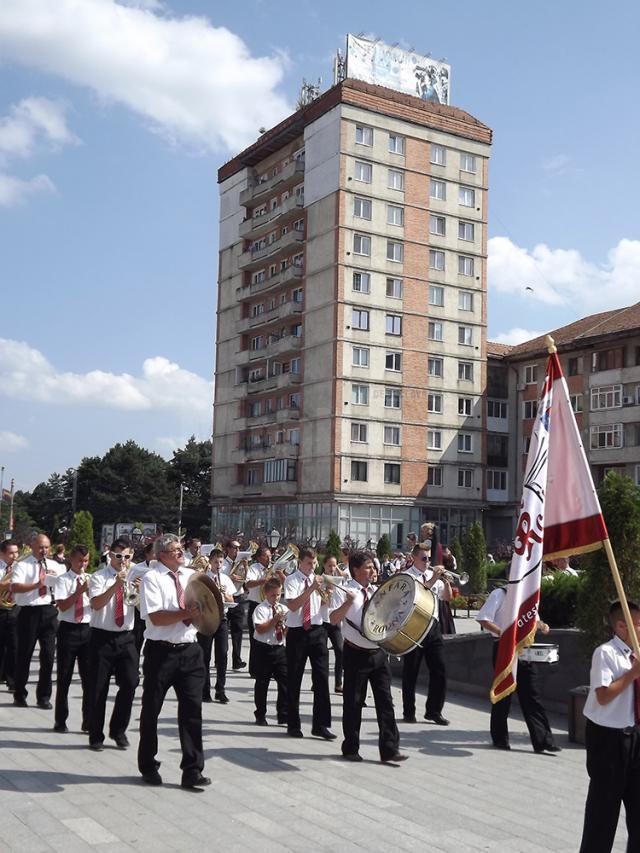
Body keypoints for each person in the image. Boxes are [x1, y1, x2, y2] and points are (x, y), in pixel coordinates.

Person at [138, 533, 209, 789]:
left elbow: (207, 605)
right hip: (161, 652)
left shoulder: (191, 575)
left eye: (182, 549)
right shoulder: (152, 578)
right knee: (151, 711)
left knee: (192, 711)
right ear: (162, 555)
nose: (182, 553)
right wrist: (186, 613)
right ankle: (148, 764)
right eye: (177, 550)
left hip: (190, 651)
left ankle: (192, 770)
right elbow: (156, 617)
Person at [329, 551, 407, 763]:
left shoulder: (377, 591)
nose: (373, 571)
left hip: (378, 653)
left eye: (374, 567)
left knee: (385, 702)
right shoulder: (345, 590)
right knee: (353, 703)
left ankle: (390, 749)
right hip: (355, 653)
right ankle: (351, 747)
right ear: (356, 570)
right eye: (368, 567)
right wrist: (347, 603)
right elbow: (333, 619)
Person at [578, 600, 640, 853]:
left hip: (635, 735)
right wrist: (632, 673)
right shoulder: (606, 653)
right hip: (608, 740)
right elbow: (603, 696)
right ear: (622, 626)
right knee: (603, 813)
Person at [476, 586, 560, 753]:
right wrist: (504, 633)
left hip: (524, 649)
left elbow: (534, 621)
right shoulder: (499, 594)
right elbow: (483, 619)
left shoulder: (528, 596)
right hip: (503, 648)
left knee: (532, 695)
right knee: (503, 694)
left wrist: (542, 625)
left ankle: (543, 740)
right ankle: (500, 739)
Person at [87, 537, 138, 751]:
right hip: (102, 637)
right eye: (118, 556)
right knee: (98, 688)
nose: (122, 560)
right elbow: (96, 604)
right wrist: (116, 584)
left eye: (126, 556)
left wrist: (139, 589)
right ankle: (95, 735)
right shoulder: (98, 577)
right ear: (110, 555)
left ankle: (118, 730)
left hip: (126, 637)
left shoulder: (134, 576)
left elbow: (138, 605)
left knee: (130, 683)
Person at [284, 546, 335, 740]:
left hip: (318, 629)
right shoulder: (292, 580)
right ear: (300, 563)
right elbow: (293, 605)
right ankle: (293, 724)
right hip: (297, 631)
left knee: (322, 678)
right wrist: (312, 588)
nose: (312, 567)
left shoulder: (318, 580)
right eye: (309, 563)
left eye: (314, 563)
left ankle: (321, 725)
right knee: (294, 678)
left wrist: (328, 592)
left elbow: (323, 605)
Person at [11, 533, 65, 708]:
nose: (44, 550)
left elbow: (64, 585)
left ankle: (44, 696)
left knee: (48, 656)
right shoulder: (22, 565)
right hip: (29, 612)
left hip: (49, 610)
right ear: (32, 546)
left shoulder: (56, 565)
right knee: (24, 654)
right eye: (41, 547)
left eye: (47, 547)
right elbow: (15, 587)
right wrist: (37, 585)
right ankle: (20, 693)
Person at [401, 544, 451, 725]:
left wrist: (445, 581)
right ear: (414, 558)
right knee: (411, 672)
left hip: (433, 626)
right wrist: (433, 579)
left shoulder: (432, 576)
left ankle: (434, 711)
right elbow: (418, 594)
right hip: (414, 627)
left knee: (440, 670)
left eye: (429, 559)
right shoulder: (408, 576)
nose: (427, 562)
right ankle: (409, 711)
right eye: (424, 558)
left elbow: (446, 598)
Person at [53, 544, 92, 733]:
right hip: (68, 630)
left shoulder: (91, 579)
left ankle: (88, 721)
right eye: (79, 561)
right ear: (70, 559)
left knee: (89, 679)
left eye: (86, 561)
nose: (82, 564)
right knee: (64, 677)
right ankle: (60, 720)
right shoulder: (63, 580)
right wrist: (80, 591)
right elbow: (63, 606)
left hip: (87, 630)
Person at [197, 549, 234, 703]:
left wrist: (224, 594)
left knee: (223, 655)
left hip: (222, 619)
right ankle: (205, 690)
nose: (218, 565)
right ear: (210, 562)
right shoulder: (204, 579)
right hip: (207, 619)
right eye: (215, 562)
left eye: (220, 562)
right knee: (205, 655)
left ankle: (221, 689)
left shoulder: (225, 578)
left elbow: (231, 599)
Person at [252, 577, 288, 726]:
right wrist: (274, 620)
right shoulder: (260, 609)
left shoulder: (283, 609)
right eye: (273, 595)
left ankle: (283, 714)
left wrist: (286, 627)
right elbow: (260, 629)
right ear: (266, 594)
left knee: (285, 682)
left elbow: (287, 632)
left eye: (279, 595)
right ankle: (260, 714)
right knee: (262, 683)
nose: (276, 598)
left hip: (280, 648)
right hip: (263, 649)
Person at [221, 539, 247, 670]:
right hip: (225, 599)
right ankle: (221, 658)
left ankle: (237, 659)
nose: (237, 551)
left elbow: (245, 580)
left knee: (238, 630)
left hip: (238, 597)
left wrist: (245, 568)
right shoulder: (223, 564)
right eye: (234, 548)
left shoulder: (241, 563)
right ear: (228, 549)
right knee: (223, 631)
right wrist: (229, 579)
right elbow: (218, 579)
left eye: (238, 548)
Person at [0, 539, 20, 691]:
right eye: (11, 553)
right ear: (2, 554)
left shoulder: (20, 569)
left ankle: (12, 680)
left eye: (16, 552)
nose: (15, 556)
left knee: (14, 645)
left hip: (14, 609)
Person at [322, 554, 344, 694]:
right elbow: (322, 602)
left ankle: (338, 683)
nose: (332, 568)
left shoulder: (339, 579)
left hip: (335, 621)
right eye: (329, 565)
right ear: (324, 566)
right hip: (323, 620)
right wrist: (328, 590)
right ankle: (318, 680)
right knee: (321, 653)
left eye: (334, 565)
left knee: (340, 651)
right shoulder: (319, 580)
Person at [129, 542, 155, 655]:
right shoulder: (137, 569)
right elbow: (128, 589)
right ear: (147, 554)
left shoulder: (163, 570)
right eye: (154, 553)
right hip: (139, 609)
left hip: (155, 610)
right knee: (137, 641)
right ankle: (134, 669)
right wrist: (136, 588)